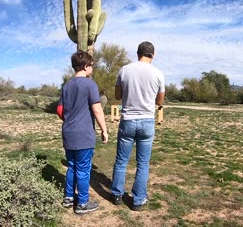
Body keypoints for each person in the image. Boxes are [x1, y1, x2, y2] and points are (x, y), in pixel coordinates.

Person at [110, 41, 165, 211]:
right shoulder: (158, 74)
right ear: (153, 55)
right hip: (147, 121)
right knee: (143, 163)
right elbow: (160, 101)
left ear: (137, 53)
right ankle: (138, 200)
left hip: (128, 120)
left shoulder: (125, 70)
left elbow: (118, 95)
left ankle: (117, 194)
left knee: (121, 160)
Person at [56, 50, 109, 214]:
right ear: (86, 66)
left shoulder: (67, 85)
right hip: (83, 134)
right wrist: (104, 130)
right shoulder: (90, 85)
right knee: (84, 169)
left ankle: (69, 198)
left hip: (68, 132)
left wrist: (70, 120)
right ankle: (83, 204)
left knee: (72, 166)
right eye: (91, 65)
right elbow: (98, 110)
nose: (92, 68)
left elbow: (59, 110)